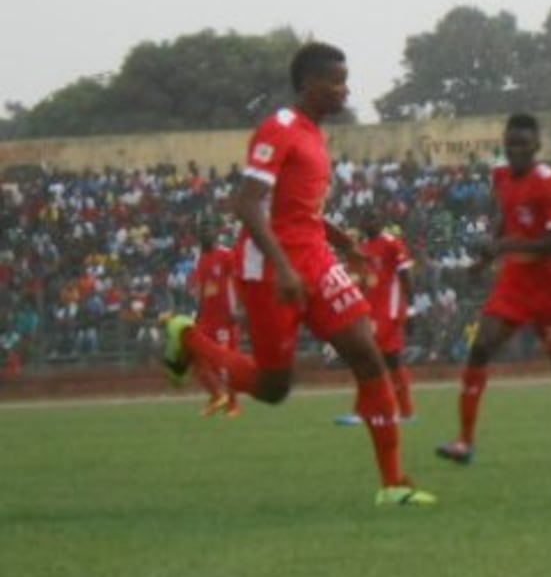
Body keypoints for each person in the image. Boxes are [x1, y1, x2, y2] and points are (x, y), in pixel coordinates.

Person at [160, 42, 435, 507]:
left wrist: (343, 242)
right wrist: (284, 267)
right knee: (273, 387)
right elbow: (247, 204)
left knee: (368, 357)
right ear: (310, 84)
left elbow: (295, 208)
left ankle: (393, 484)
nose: (345, 90)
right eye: (337, 81)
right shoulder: (280, 129)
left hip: (316, 259)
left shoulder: (314, 134)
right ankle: (188, 340)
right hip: (270, 268)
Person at [435, 113, 551, 465]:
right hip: (516, 281)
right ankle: (465, 441)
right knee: (481, 347)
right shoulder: (502, 176)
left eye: (522, 144)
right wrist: (486, 260)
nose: (514, 149)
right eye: (510, 143)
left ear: (536, 146)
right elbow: (506, 218)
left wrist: (502, 247)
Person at [334, 211, 417, 426]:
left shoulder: (391, 244)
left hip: (389, 312)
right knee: (388, 359)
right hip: (370, 312)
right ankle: (404, 412)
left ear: (380, 222)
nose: (367, 223)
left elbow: (406, 275)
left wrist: (411, 310)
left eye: (372, 219)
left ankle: (365, 411)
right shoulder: (363, 248)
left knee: (370, 358)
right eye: (365, 220)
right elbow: (364, 279)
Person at [190, 222, 241, 418]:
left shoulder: (226, 255)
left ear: (215, 233)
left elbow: (237, 283)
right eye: (202, 232)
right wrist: (197, 316)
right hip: (206, 319)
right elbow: (202, 291)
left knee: (225, 363)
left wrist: (237, 310)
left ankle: (233, 405)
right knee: (195, 357)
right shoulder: (202, 259)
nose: (205, 235)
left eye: (208, 231)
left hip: (224, 319)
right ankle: (216, 396)